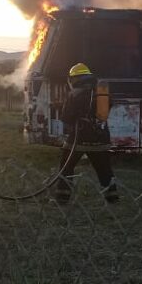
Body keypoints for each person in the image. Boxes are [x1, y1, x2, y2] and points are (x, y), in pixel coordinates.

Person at [52, 62, 118, 204]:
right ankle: (113, 198)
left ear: (74, 78)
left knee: (66, 167)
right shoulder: (101, 91)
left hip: (78, 139)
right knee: (104, 170)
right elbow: (106, 110)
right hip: (101, 139)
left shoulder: (74, 94)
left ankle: (62, 198)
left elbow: (66, 118)